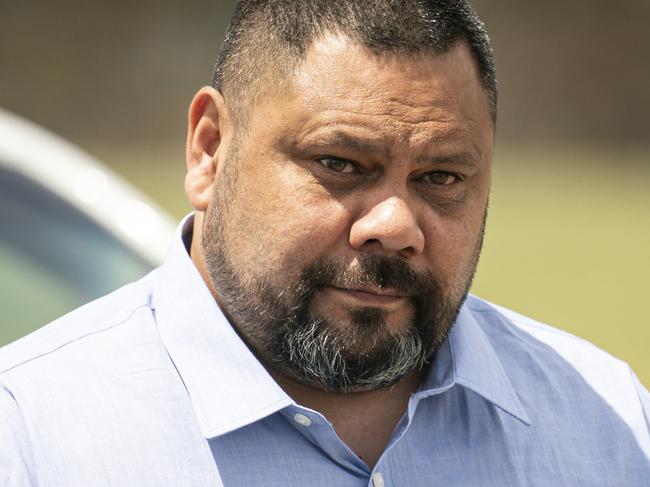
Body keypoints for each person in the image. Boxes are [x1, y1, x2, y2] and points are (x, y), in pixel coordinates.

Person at [1, 0, 649, 485]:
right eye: (340, 163)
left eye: (441, 177)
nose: (394, 224)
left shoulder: (608, 426)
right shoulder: (29, 434)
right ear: (209, 150)